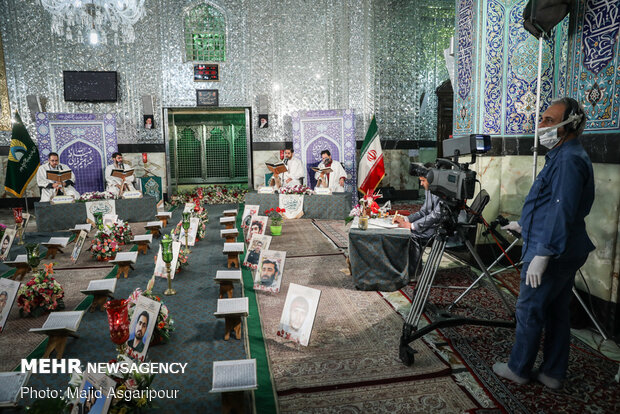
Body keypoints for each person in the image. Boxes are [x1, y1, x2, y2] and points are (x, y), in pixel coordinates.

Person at [493, 97, 594, 390]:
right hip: (561, 245)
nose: (541, 126)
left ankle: (519, 368)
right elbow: (551, 206)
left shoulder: (569, 160)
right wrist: (523, 225)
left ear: (571, 124)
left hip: (553, 250)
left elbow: (563, 210)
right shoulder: (562, 157)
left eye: (549, 121)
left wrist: (544, 252)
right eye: (542, 120)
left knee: (529, 310)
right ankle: (552, 372)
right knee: (556, 311)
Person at [394, 163, 442, 277]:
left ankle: (415, 274)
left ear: (431, 179)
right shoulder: (429, 189)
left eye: (423, 181)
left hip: (443, 228)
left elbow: (436, 215)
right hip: (433, 225)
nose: (421, 184)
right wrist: (405, 219)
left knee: (413, 234)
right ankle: (405, 268)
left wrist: (411, 226)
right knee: (407, 230)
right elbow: (423, 211)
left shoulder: (442, 191)